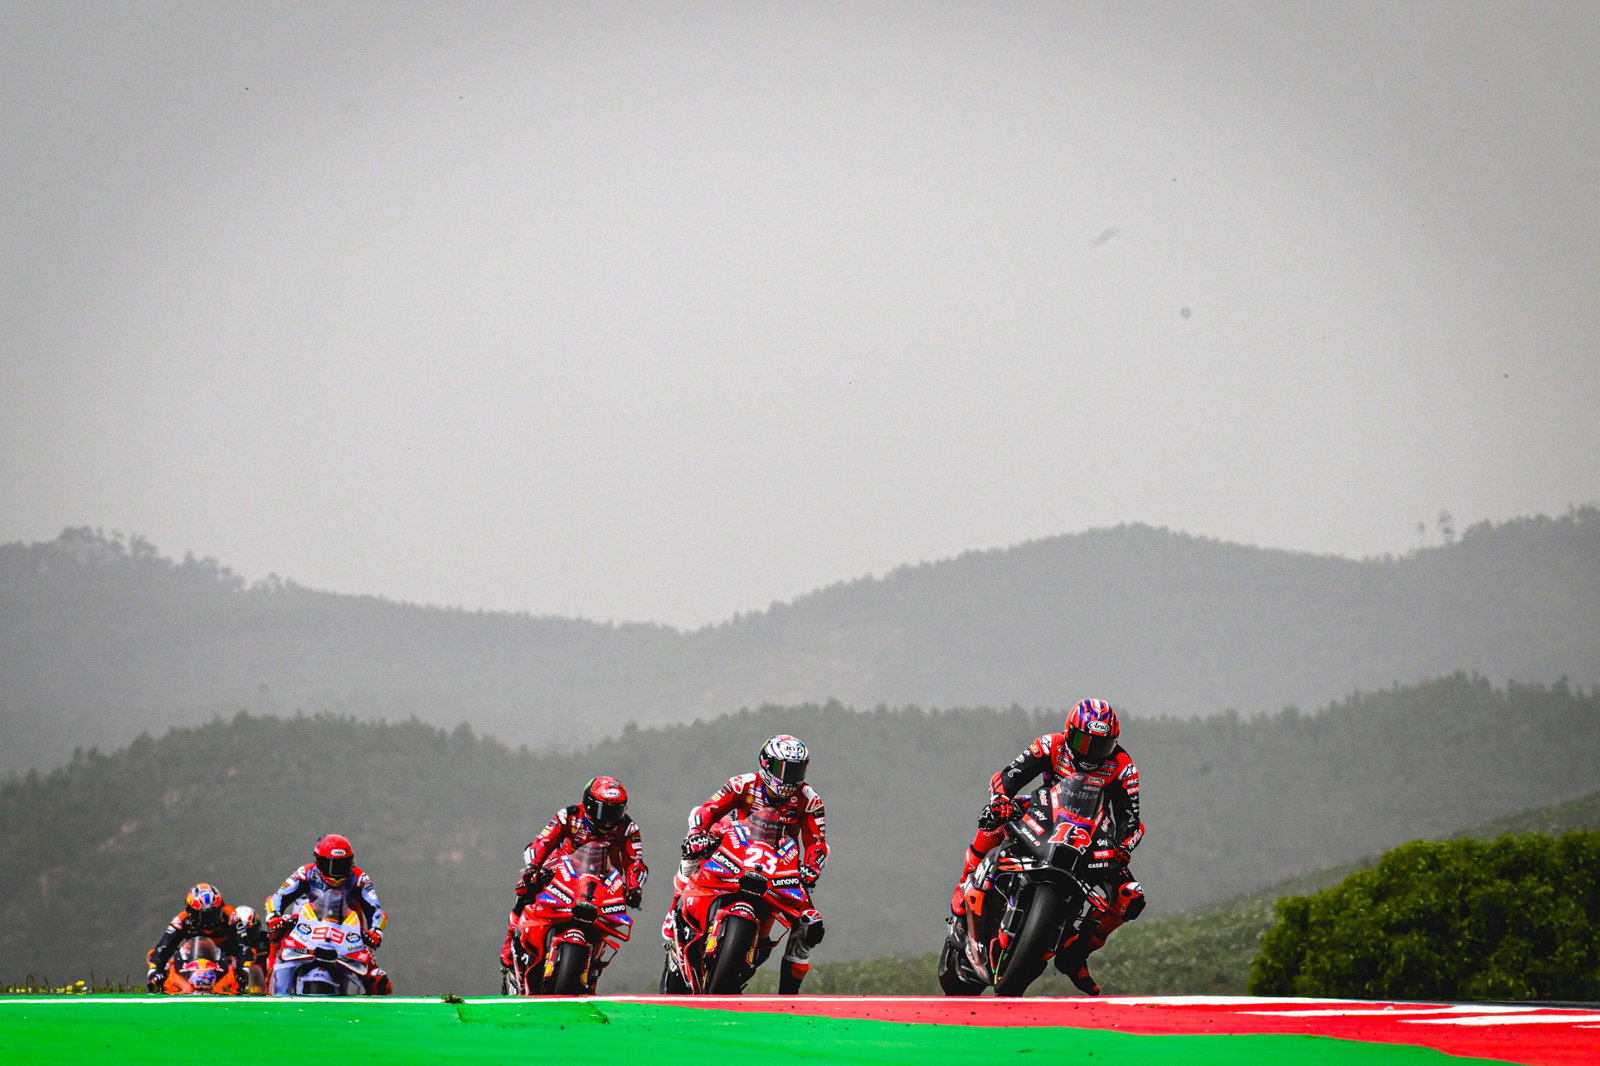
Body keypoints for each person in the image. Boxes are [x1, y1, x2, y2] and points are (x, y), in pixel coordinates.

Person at [950, 698, 1146, 996]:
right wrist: (1000, 799)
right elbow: (1008, 777)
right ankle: (965, 879)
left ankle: (1077, 952)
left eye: (1101, 745)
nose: (1092, 751)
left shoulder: (1123, 767)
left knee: (1131, 896)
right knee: (993, 819)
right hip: (1041, 811)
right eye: (1084, 741)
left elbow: (1131, 820)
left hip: (1089, 831)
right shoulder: (1049, 745)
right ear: (1069, 733)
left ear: (1114, 743)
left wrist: (1123, 847)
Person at [666, 734, 828, 994]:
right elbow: (708, 810)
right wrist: (697, 833)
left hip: (780, 864)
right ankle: (675, 908)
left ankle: (788, 997)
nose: (788, 776)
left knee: (811, 926)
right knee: (693, 850)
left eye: (795, 769)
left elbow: (817, 842)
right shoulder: (742, 784)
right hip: (735, 847)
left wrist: (811, 868)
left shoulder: (810, 799)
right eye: (782, 768)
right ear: (765, 764)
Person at [499, 776, 648, 972]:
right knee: (528, 886)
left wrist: (634, 887)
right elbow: (542, 842)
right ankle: (510, 941)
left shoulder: (628, 827)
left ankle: (593, 961)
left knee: (615, 912)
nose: (609, 818)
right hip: (563, 865)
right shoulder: (568, 815)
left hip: (604, 876)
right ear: (589, 804)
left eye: (616, 811)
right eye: (604, 811)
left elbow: (635, 862)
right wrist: (533, 867)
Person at [264, 833, 392, 995]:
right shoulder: (306, 872)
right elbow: (278, 897)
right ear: (318, 861)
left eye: (342, 865)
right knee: (277, 934)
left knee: (376, 976)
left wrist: (375, 931)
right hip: (307, 922)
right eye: (330, 865)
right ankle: (272, 976)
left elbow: (375, 907)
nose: (336, 872)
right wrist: (274, 916)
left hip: (348, 926)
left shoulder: (360, 878)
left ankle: (376, 1003)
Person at [146, 883, 248, 992]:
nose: (209, 920)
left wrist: (244, 970)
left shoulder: (231, 914)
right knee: (166, 965)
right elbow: (164, 946)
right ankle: (170, 989)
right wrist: (154, 969)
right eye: (203, 915)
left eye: (214, 914)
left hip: (225, 955)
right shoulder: (181, 920)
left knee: (241, 967)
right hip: (193, 956)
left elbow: (244, 944)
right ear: (190, 912)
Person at [232, 904, 270, 993]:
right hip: (236, 987)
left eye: (253, 930)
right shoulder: (231, 945)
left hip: (264, 987)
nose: (247, 937)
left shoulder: (266, 940)